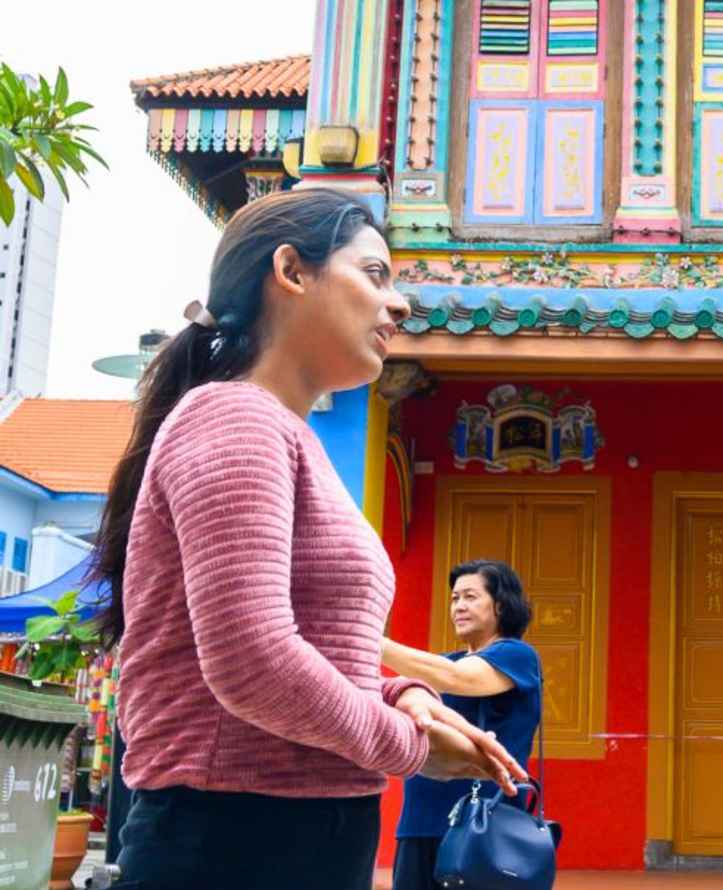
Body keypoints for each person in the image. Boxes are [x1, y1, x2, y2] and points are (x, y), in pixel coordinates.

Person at [93, 189, 527, 890]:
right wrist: (412, 747)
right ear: (292, 271)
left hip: (296, 831)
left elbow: (315, 651)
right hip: (232, 840)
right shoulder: (234, 418)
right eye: (375, 274)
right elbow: (252, 661)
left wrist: (401, 695)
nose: (400, 305)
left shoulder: (286, 435)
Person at [381, 559, 544, 890]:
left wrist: (371, 641)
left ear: (501, 605)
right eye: (455, 598)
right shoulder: (445, 662)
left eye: (470, 596)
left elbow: (458, 679)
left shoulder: (516, 654)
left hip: (483, 826)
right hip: (419, 822)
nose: (459, 606)